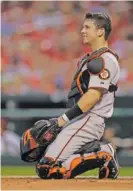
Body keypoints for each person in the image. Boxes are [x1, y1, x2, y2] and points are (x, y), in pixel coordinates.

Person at [20, 12, 120, 179]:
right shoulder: (94, 58)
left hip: (90, 119)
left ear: (101, 31)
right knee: (45, 165)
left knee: (48, 168)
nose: (82, 30)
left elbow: (93, 97)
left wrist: (62, 121)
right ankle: (96, 151)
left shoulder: (105, 59)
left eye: (87, 27)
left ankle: (105, 153)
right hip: (80, 119)